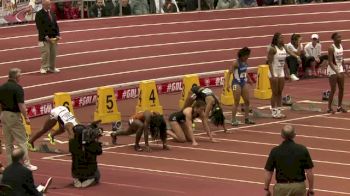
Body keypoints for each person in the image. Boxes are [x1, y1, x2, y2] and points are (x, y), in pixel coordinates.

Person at [0, 68, 37, 171]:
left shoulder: (2, 87)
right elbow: (21, 105)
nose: (21, 77)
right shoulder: (18, 88)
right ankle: (26, 164)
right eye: (20, 75)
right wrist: (26, 117)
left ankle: (10, 165)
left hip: (3, 115)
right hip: (14, 116)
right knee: (22, 141)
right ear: (16, 77)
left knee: (8, 143)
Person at [264, 125, 314, 196]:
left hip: (281, 188)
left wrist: (266, 188)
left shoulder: (275, 151)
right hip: (298, 187)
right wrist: (311, 188)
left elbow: (269, 172)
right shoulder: (302, 149)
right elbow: (309, 171)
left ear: (281, 135)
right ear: (294, 135)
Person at [267, 32, 300, 119]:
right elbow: (269, 63)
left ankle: (279, 111)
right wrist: (273, 75)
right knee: (274, 92)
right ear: (276, 39)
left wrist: (288, 73)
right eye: (280, 38)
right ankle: (273, 111)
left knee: (280, 92)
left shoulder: (284, 47)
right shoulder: (273, 49)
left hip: (280, 71)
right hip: (273, 71)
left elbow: (286, 59)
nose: (282, 39)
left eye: (283, 38)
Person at [226, 47, 255, 126]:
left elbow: (245, 71)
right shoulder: (236, 63)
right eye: (247, 56)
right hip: (236, 83)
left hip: (243, 82)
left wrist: (249, 79)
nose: (248, 57)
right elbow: (229, 73)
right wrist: (227, 84)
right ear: (242, 55)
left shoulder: (245, 62)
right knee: (236, 101)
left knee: (247, 101)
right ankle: (233, 119)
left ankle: (247, 119)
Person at [69, 123, 103, 188]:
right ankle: (90, 179)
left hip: (76, 173)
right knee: (96, 172)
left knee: (77, 162)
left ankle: (77, 180)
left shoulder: (71, 143)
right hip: (90, 173)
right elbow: (99, 152)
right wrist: (96, 139)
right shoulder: (92, 143)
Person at [35, 0, 61, 74]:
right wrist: (45, 36)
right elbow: (39, 27)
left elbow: (56, 25)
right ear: (43, 5)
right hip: (43, 38)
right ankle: (44, 67)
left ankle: (52, 67)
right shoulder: (39, 14)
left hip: (53, 38)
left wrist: (58, 34)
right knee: (45, 53)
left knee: (53, 53)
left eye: (50, 4)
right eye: (48, 4)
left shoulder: (52, 13)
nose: (50, 6)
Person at [327, 32, 348, 113]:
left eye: (340, 37)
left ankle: (339, 107)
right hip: (332, 69)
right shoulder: (331, 48)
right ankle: (329, 108)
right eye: (338, 37)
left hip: (340, 68)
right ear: (334, 39)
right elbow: (330, 62)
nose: (340, 39)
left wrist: (345, 70)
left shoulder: (341, 46)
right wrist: (336, 72)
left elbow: (342, 59)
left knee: (342, 88)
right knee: (333, 89)